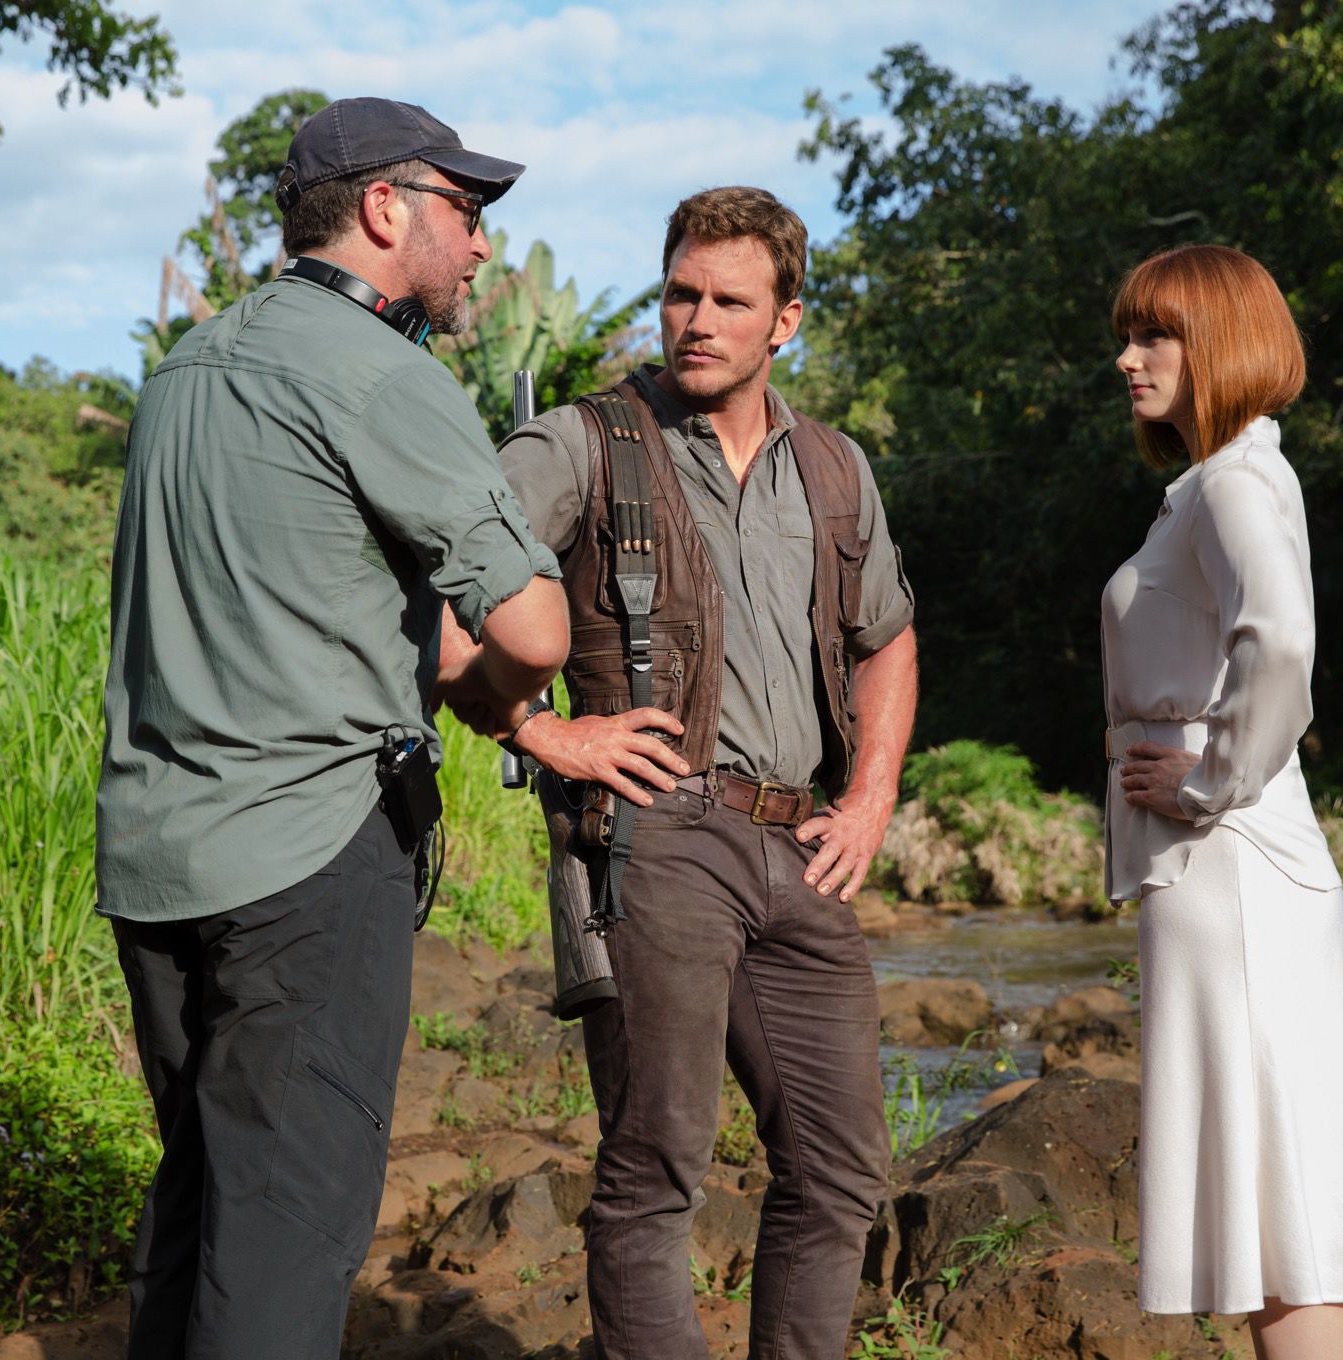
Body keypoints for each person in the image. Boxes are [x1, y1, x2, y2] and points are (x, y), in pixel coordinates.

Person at [95, 97, 569, 1359]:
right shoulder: (382, 373)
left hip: (157, 863)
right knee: (285, 1240)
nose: (481, 243)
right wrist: (517, 675)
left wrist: (502, 709)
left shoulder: (185, 369)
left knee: (200, 1211)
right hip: (306, 860)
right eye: (466, 209)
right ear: (384, 208)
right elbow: (532, 632)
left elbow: (310, 604)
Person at [477, 185, 919, 1359]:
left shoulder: (833, 467)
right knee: (657, 1163)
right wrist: (541, 732)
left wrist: (872, 797)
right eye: (681, 293)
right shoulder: (578, 442)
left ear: (787, 322)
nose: (699, 320)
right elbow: (445, 592)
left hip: (803, 844)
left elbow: (888, 638)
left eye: (731, 300)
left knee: (839, 1167)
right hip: (655, 833)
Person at [1102, 243, 1343, 1359]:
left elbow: (1278, 640)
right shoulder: (1225, 478)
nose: (1128, 358)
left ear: (1221, 341)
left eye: (1155, 334)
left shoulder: (1232, 480)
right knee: (1293, 1201)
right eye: (1126, 336)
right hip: (1229, 869)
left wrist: (1208, 780)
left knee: (1284, 1215)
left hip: (1228, 867)